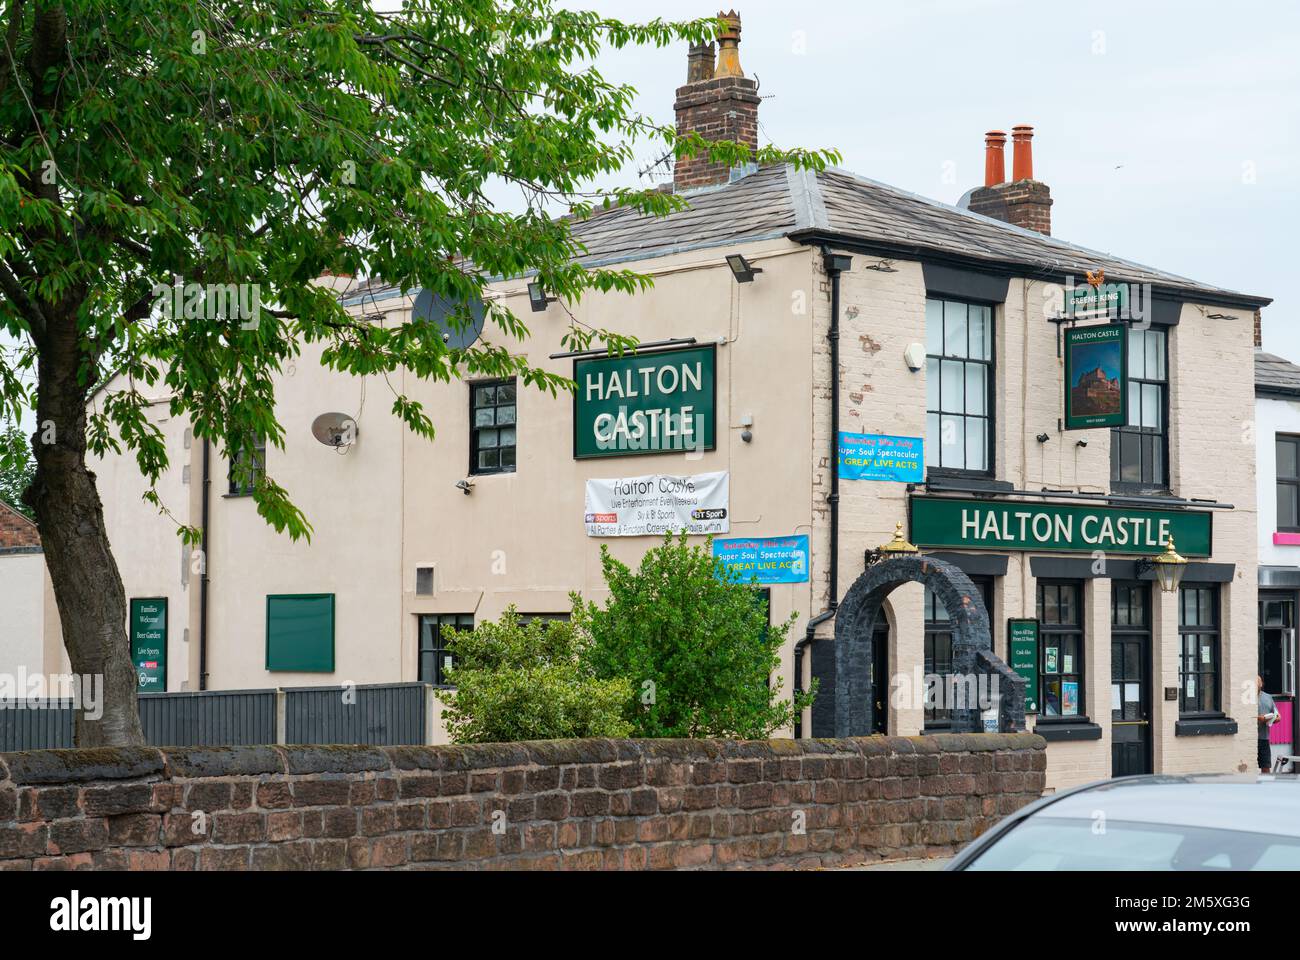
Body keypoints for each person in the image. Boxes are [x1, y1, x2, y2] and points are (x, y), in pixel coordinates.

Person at [1257, 675, 1279, 774]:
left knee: (1265, 766)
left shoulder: (1268, 697)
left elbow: (1278, 717)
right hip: (1248, 738)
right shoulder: (1246, 698)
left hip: (1263, 738)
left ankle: (1266, 787)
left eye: (1258, 681)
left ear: (1261, 684)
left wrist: (1270, 719)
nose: (1256, 684)